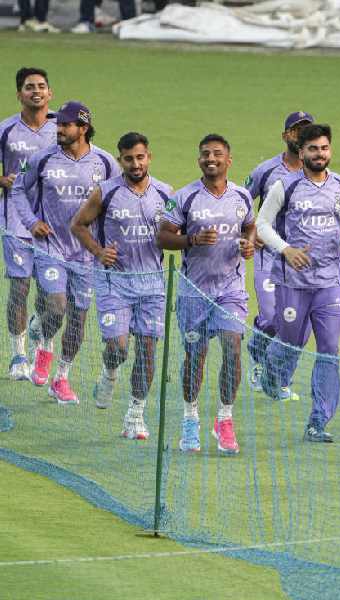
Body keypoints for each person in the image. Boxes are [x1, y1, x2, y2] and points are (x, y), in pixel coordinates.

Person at [255, 124, 340, 442]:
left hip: (330, 284)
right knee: (290, 341)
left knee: (329, 349)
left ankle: (319, 420)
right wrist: (285, 249)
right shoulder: (284, 186)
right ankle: (272, 376)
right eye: (313, 149)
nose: (320, 154)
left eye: (325, 148)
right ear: (301, 152)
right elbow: (261, 224)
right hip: (292, 283)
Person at [11, 101, 120, 404]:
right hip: (51, 247)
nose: (58, 129)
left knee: (78, 319)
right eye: (57, 124)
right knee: (57, 307)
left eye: (66, 124)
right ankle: (43, 349)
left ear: (83, 128)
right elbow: (19, 189)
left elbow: (115, 201)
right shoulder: (42, 159)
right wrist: (32, 222)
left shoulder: (106, 163)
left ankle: (62, 377)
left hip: (86, 255)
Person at [157, 134, 255, 455]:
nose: (210, 158)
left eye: (217, 154)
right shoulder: (184, 197)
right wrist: (192, 240)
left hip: (230, 292)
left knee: (232, 348)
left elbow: (249, 227)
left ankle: (224, 419)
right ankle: (190, 419)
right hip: (193, 293)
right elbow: (163, 237)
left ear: (229, 160)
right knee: (195, 357)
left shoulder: (242, 195)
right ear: (199, 160)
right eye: (204, 154)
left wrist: (249, 244)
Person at [70, 132, 171, 439]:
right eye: (129, 158)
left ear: (149, 157)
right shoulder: (106, 192)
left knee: (148, 351)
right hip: (115, 282)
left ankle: (135, 415)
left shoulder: (166, 193)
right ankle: (109, 373)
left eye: (140, 157)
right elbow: (77, 225)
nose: (136, 163)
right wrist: (99, 251)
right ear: (120, 160)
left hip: (153, 283)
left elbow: (176, 232)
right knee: (118, 347)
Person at [244, 110, 314, 401]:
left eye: (306, 130)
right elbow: (242, 202)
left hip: (305, 262)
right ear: (286, 135)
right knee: (273, 319)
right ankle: (258, 354)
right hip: (270, 257)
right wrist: (248, 235)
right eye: (296, 130)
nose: (300, 135)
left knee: (298, 326)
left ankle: (281, 380)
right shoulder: (266, 170)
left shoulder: (320, 174)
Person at [0, 67, 55, 381]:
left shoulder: (63, 127)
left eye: (41, 86)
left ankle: (40, 337)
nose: (36, 91)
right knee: (20, 288)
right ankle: (19, 355)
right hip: (16, 222)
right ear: (19, 94)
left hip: (53, 225)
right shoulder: (6, 130)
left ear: (50, 93)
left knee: (50, 293)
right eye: (29, 87)